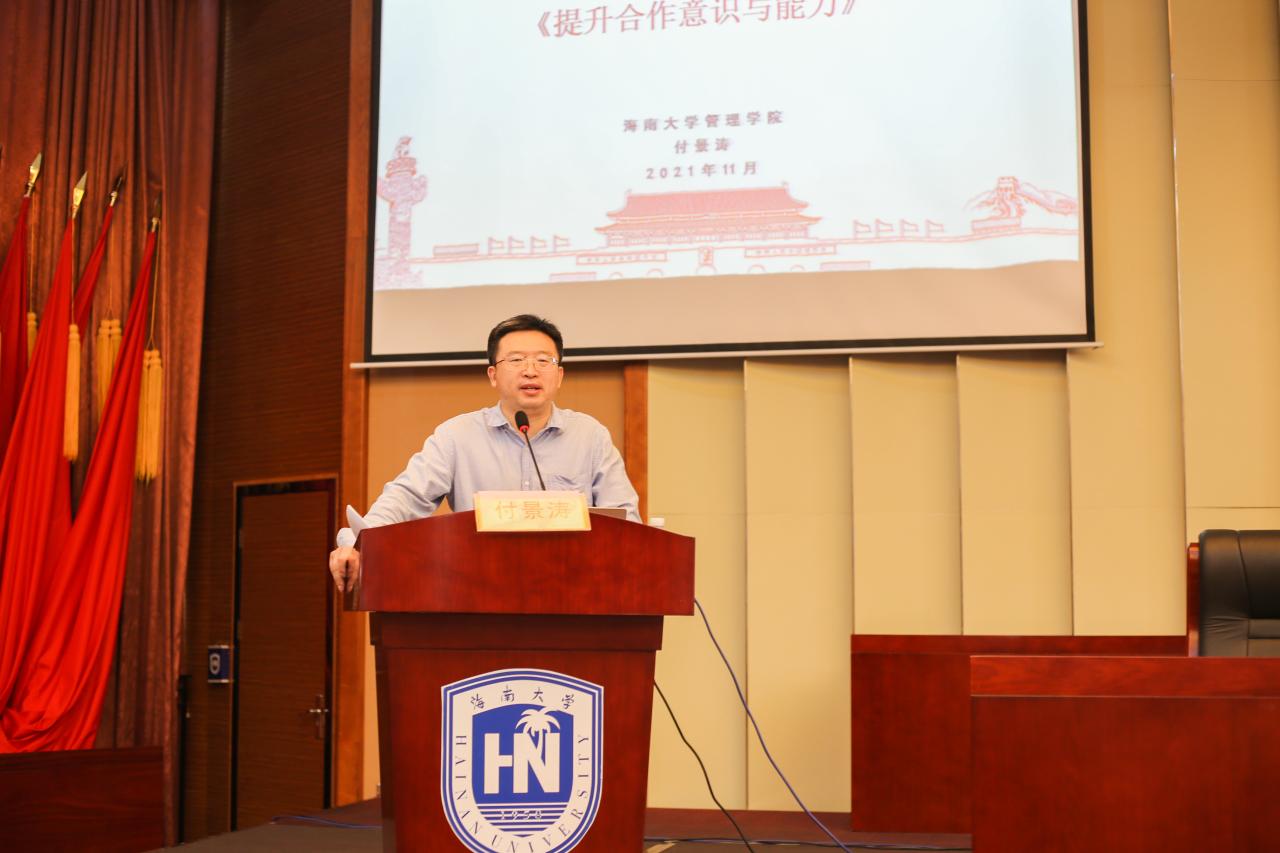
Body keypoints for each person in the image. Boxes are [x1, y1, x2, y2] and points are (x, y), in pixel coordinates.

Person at [328, 314, 639, 591]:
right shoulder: (457, 436)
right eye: (516, 360)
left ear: (559, 375)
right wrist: (356, 544)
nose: (530, 371)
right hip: (478, 591)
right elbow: (405, 497)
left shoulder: (590, 436)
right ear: (493, 375)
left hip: (575, 593)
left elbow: (627, 522)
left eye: (544, 361)